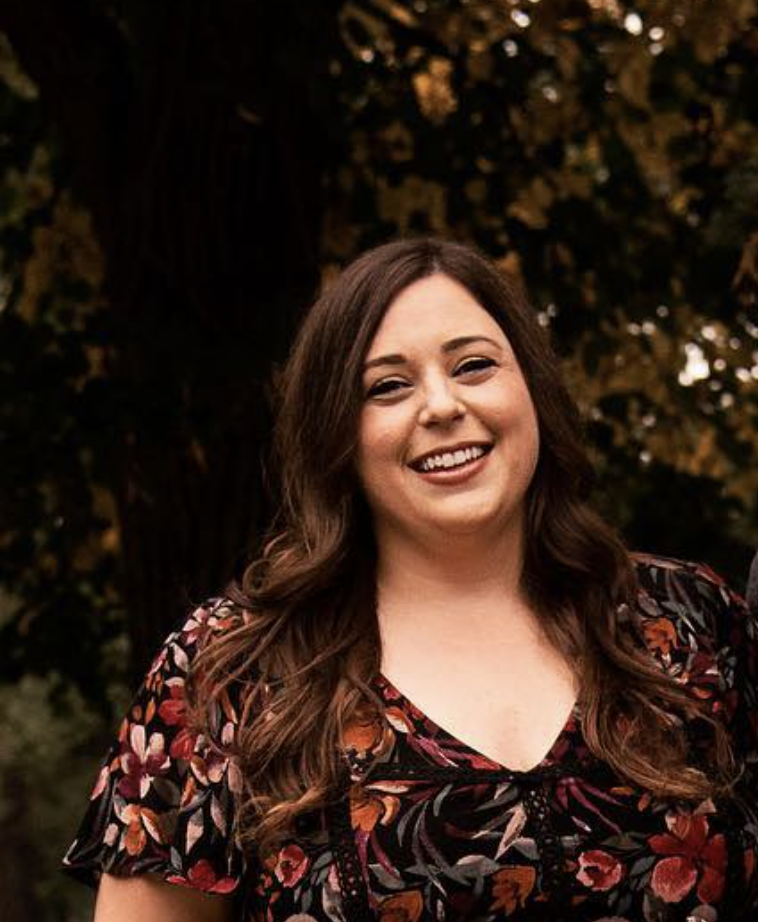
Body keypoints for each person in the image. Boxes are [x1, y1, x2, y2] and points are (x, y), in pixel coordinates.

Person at [63, 237, 758, 921]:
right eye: (388, 386)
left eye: (474, 365)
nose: (441, 405)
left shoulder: (693, 621)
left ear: (533, 389)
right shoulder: (229, 670)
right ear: (336, 432)